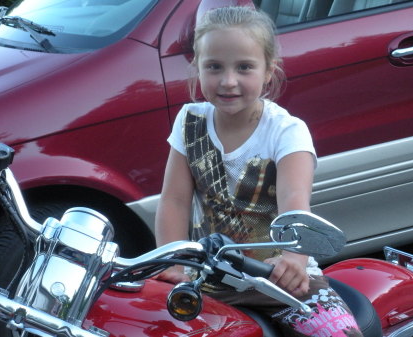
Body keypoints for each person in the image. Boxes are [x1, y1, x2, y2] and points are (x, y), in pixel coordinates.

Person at [154, 6, 363, 337]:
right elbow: (174, 200)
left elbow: (295, 200)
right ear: (197, 67)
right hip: (207, 275)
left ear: (269, 71)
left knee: (340, 335)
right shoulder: (189, 121)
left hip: (279, 280)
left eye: (244, 67)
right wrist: (175, 263)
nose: (228, 81)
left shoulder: (286, 132)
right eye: (214, 67)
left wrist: (294, 257)